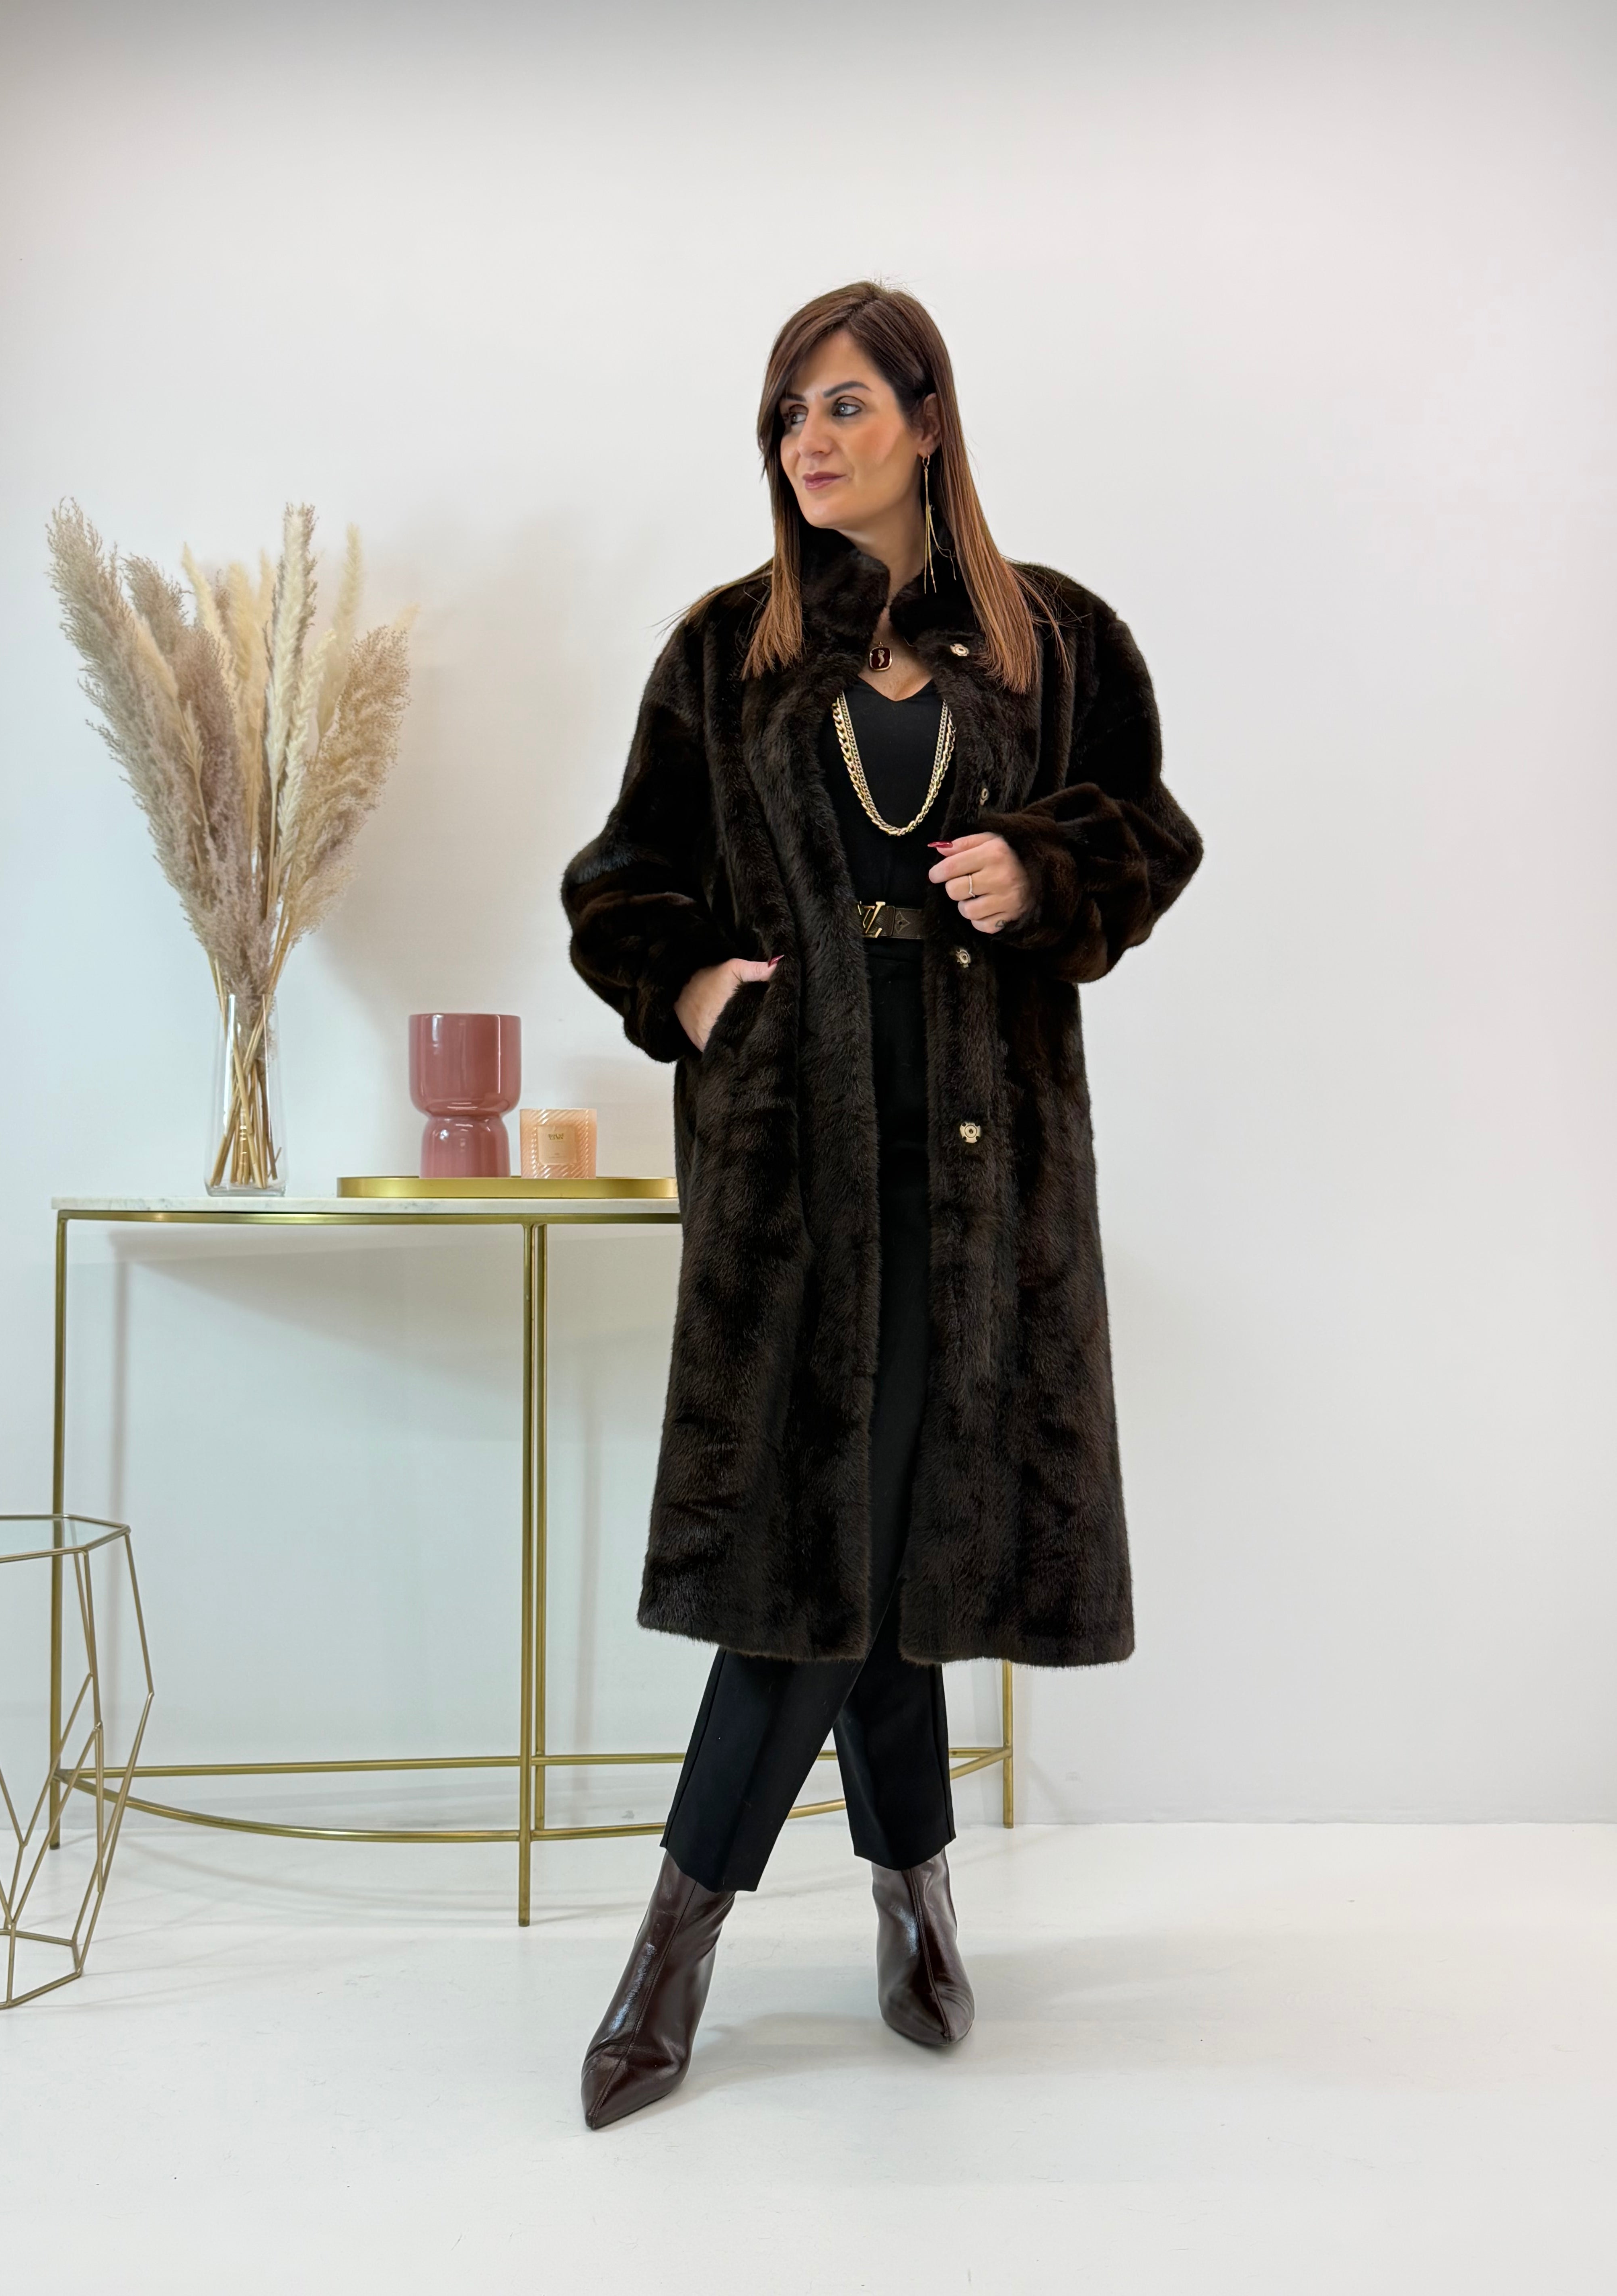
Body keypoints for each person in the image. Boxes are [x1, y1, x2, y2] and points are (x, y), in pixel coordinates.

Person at [561, 281, 1202, 2129]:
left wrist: (1048, 867)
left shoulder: (1058, 639)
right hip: (796, 1167)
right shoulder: (727, 650)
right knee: (813, 1554)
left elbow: (1150, 831)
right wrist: (694, 987)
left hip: (989, 1160)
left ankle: (896, 1898)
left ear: (927, 418)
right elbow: (623, 877)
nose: (809, 442)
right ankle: (700, 1941)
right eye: (788, 415)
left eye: (843, 404)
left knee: (893, 1530)